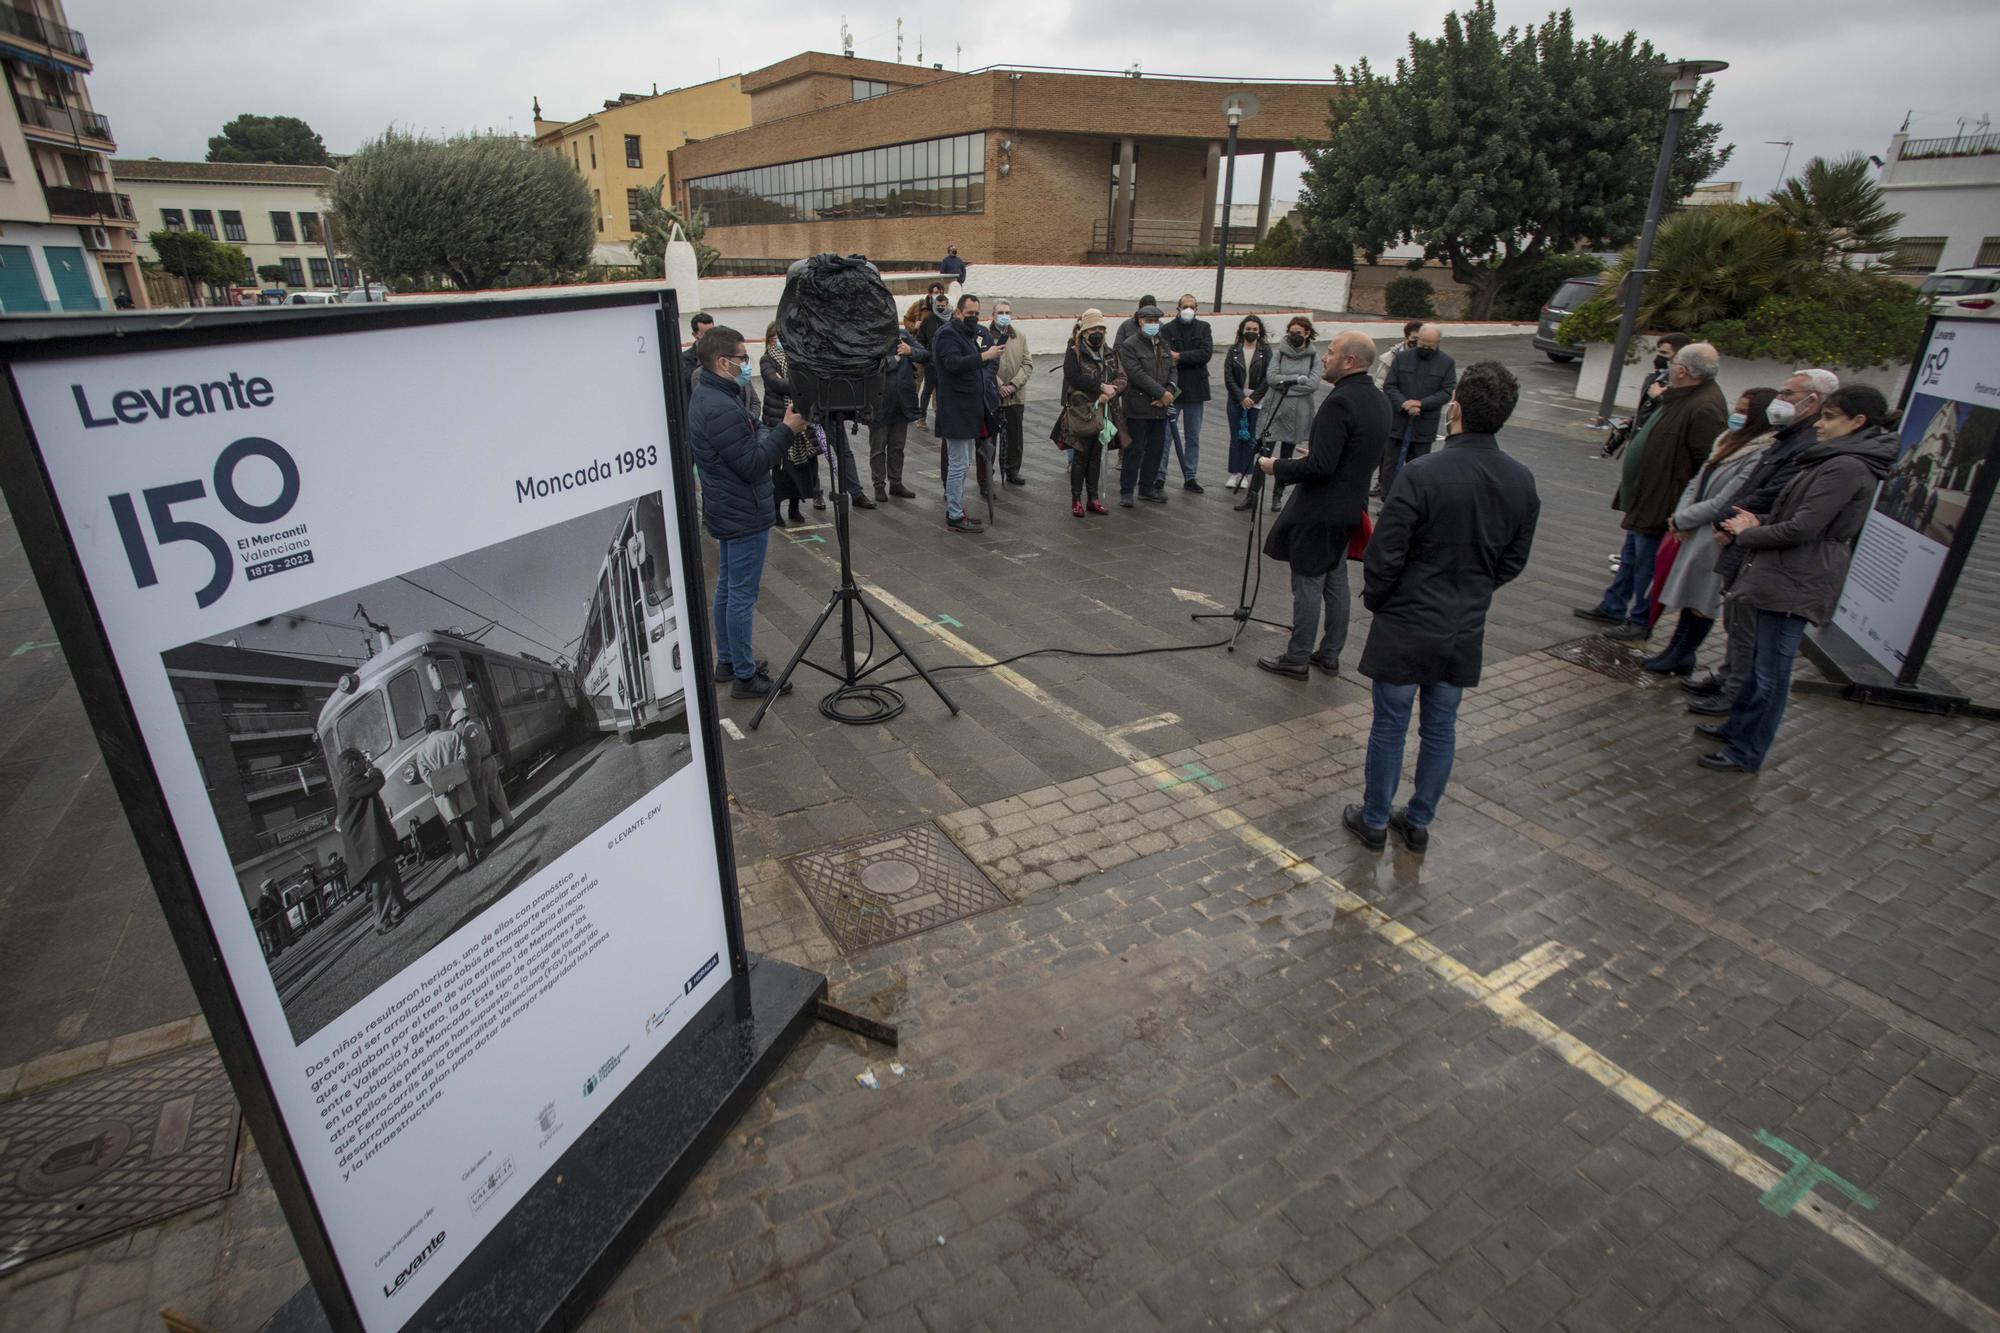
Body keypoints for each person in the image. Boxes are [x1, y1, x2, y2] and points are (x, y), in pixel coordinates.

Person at [1346, 362, 1540, 853]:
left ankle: (1373, 818)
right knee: (1440, 725)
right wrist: (1473, 589)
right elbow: (1513, 560)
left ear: (1454, 408)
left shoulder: (1421, 473)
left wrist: (1381, 599)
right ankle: (1417, 819)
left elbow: (1385, 553)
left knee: (1391, 724)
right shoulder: (1520, 480)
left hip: (1409, 616)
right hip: (1462, 620)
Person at [1698, 386, 1898, 773]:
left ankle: (1746, 751)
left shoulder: (1846, 466)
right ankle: (1738, 731)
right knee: (1760, 662)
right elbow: (1797, 514)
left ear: (1858, 422)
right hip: (1787, 572)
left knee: (1771, 672)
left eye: (1830, 417)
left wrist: (1748, 533)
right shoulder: (1835, 458)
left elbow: (1804, 527)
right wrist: (1758, 523)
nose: (1819, 425)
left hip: (1798, 578)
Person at [1685, 368, 1839, 714]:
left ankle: (1734, 693)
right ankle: (1729, 677)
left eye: (1788, 394)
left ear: (1813, 401)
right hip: (1745, 532)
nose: (1779, 400)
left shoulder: (1806, 446)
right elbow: (1751, 485)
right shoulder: (1785, 437)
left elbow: (1773, 494)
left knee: (1747, 629)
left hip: (1757, 540)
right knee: (1736, 620)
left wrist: (1733, 521)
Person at [1254, 331, 1388, 679]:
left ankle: (1296, 658)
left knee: (1309, 584)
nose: (1324, 358)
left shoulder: (1340, 402)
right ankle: (1330, 654)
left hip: (1322, 509)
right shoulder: (1377, 399)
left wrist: (1276, 467)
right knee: (1336, 581)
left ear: (1349, 361)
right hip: (1350, 507)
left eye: (1330, 353)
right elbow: (1357, 455)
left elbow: (1320, 468)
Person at [1574, 342, 1728, 641]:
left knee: (1647, 563)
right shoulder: (1681, 396)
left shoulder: (1704, 406)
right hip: (1647, 496)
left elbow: (1705, 465)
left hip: (1662, 503)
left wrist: (1684, 513)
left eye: (1673, 365)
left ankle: (1641, 619)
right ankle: (1613, 605)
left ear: (1682, 371)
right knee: (1631, 556)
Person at [688, 323, 807, 698]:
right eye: (742, 358)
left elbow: (752, 432)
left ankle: (728, 660)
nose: (746, 364)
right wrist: (786, 430)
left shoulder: (716, 395)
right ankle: (743, 674)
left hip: (730, 508)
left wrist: (769, 431)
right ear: (723, 362)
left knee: (727, 587)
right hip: (742, 510)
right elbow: (754, 463)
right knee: (741, 594)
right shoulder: (719, 405)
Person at [1643, 388, 1779, 675]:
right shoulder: (1727, 441)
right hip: (1694, 527)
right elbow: (1697, 481)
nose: (1737, 416)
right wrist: (1680, 518)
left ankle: (1683, 653)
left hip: (1716, 531)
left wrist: (1684, 520)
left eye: (1745, 412)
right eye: (1737, 409)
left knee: (1703, 598)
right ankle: (1675, 650)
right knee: (1688, 593)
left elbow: (1727, 498)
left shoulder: (1759, 452)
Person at [931, 292, 1004, 533]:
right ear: (958, 312)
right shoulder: (948, 335)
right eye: (969, 314)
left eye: (976, 314)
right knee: (958, 465)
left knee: (964, 463)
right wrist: (985, 355)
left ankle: (957, 509)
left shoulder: (967, 334)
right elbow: (953, 364)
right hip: (956, 410)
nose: (973, 318)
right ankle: (954, 514)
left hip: (969, 411)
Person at [1240, 317, 1318, 513]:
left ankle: (1277, 496)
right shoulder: (1279, 353)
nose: (1294, 336)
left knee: (1286, 457)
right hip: (1275, 410)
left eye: (1298, 333)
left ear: (1307, 334)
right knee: (1263, 453)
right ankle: (1252, 495)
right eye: (1291, 332)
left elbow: (1313, 384)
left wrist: (1285, 386)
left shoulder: (1313, 357)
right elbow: (1272, 378)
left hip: (1297, 413)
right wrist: (1296, 382)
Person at [336, 747, 413, 934]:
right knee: (381, 880)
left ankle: (400, 903)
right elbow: (377, 781)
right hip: (366, 843)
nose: (365, 762)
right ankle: (380, 920)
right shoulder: (351, 783)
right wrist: (373, 769)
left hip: (369, 840)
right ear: (354, 764)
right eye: (362, 760)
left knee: (391, 871)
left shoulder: (351, 783)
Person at [1378, 324, 1457, 497]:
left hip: (1424, 425)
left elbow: (1446, 391)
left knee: (1419, 467)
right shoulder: (1402, 358)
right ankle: (1388, 499)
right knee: (1390, 465)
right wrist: (1404, 403)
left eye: (1431, 347)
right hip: (1399, 422)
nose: (1426, 349)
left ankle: (1410, 500)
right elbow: (1389, 385)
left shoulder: (1446, 363)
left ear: (1438, 343)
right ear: (1417, 340)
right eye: (1423, 345)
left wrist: (1421, 404)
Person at [1061, 309, 1124, 516]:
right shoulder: (1074, 352)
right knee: (1081, 455)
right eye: (1093, 328)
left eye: (1101, 328)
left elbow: (1122, 378)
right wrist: (1100, 387)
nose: (1098, 332)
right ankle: (1076, 499)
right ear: (1084, 331)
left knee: (1097, 456)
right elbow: (1073, 377)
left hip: (1104, 410)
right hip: (1082, 412)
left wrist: (1111, 391)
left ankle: (1093, 498)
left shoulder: (1110, 352)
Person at [1116, 303, 1179, 508]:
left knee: (1156, 449)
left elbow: (1172, 370)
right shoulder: (1130, 345)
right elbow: (1136, 374)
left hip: (1160, 408)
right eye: (1148, 321)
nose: (1153, 324)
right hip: (1138, 406)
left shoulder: (1163, 344)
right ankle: (1126, 490)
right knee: (1134, 451)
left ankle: (1146, 487)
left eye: (1156, 321)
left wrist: (1168, 394)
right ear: (1140, 321)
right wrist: (1162, 392)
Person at [761, 322, 821, 525]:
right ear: (770, 339)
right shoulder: (766, 360)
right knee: (781, 470)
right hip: (778, 419)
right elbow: (776, 384)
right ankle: (776, 509)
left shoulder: (797, 358)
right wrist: (799, 385)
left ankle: (795, 507)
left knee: (802, 467)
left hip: (801, 420)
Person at [869, 302, 928, 502]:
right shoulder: (871, 338)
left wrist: (909, 351)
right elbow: (871, 365)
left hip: (902, 402)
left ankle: (896, 482)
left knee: (897, 446)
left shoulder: (903, 336)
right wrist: (895, 359)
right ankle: (879, 485)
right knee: (878, 448)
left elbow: (924, 353)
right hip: (879, 404)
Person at [1155, 294, 1214, 493]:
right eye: (1185, 306)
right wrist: (1187, 358)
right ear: (1178, 308)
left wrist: (1180, 356)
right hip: (1173, 388)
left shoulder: (1203, 328)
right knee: (1165, 436)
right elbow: (1165, 355)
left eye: (1192, 306)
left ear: (1196, 309)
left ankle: (1190, 476)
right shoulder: (1167, 329)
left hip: (1196, 390)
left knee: (1193, 436)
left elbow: (1205, 354)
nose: (1188, 309)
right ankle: (1159, 475)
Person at [415, 712, 484, 871]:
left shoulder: (422, 752)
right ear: (439, 724)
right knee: (468, 818)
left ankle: (463, 862)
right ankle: (477, 850)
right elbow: (464, 754)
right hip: (461, 783)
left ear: (427, 730)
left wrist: (441, 783)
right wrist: (457, 771)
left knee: (452, 826)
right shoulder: (453, 736)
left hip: (442, 793)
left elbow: (426, 775)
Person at [1223, 316, 1271, 492]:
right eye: (1248, 328)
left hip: (1255, 400)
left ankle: (1246, 473)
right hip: (1236, 399)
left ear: (1260, 332)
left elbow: (1268, 377)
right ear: (1242, 330)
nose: (1251, 332)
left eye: (1255, 329)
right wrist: (1241, 398)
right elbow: (1228, 377)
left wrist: (1254, 398)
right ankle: (1233, 473)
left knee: (1250, 439)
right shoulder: (1234, 350)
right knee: (1236, 437)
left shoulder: (1265, 351)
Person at [453, 697, 512, 839]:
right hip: (491, 760)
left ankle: (486, 836)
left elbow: (474, 757)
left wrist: (475, 776)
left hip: (482, 766)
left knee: (482, 804)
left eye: (456, 725)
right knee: (498, 794)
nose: (456, 729)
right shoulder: (478, 724)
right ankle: (509, 821)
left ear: (461, 721)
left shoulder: (467, 732)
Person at [993, 299, 1032, 487]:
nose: (1004, 316)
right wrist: (999, 385)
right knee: (990, 437)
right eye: (1001, 312)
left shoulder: (1020, 336)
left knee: (1015, 435)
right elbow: (984, 363)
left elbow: (1027, 364)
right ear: (993, 315)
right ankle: (988, 472)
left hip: (1015, 396)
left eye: (1007, 312)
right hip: (993, 395)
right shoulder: (984, 335)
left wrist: (1014, 385)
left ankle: (1013, 469)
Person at [916, 283, 949, 424]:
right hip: (931, 362)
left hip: (947, 362)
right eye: (939, 305)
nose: (941, 308)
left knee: (943, 392)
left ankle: (941, 417)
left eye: (943, 305)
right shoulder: (929, 319)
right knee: (927, 390)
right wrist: (926, 354)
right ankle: (921, 417)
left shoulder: (952, 320)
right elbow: (920, 339)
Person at [1371, 321, 1423, 390]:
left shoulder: (1430, 356)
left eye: (1420, 338)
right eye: (1414, 338)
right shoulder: (1390, 358)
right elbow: (1379, 384)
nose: (1418, 342)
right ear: (1406, 339)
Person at [255, 878, 291, 957]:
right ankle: (277, 953)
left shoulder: (274, 894)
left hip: (280, 917)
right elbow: (261, 915)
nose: (274, 886)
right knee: (275, 938)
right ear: (267, 888)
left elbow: (279, 902)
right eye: (272, 885)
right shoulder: (261, 900)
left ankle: (290, 941)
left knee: (286, 930)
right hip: (272, 923)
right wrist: (267, 925)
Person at [681, 312, 713, 396]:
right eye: (706, 334)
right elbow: (690, 381)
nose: (711, 337)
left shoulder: (722, 352)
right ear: (695, 335)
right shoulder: (685, 358)